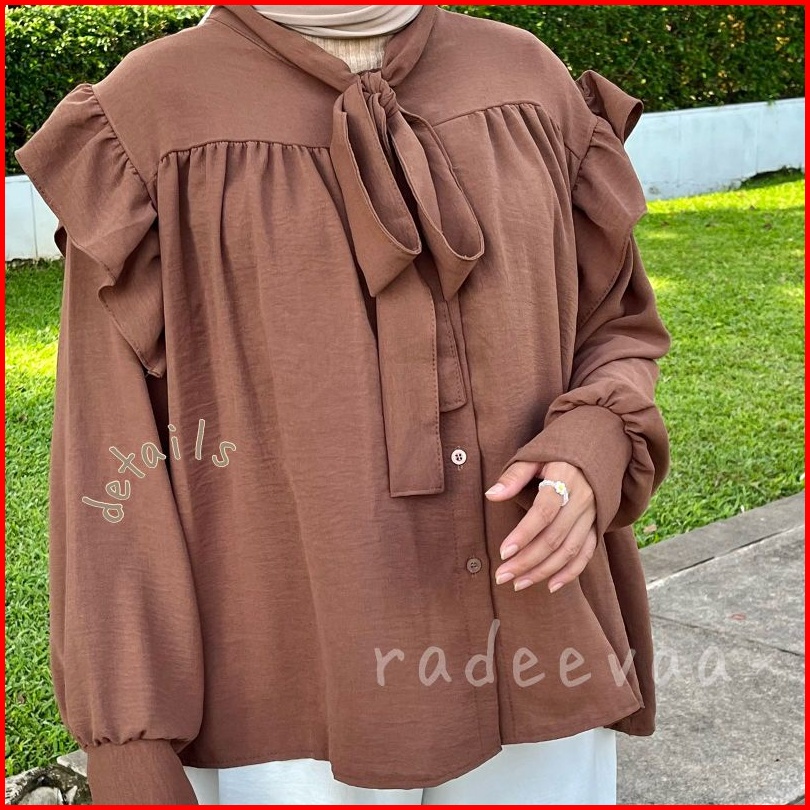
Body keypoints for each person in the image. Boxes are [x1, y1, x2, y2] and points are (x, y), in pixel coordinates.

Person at [14, 4, 671, 805]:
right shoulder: (145, 119)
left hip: (542, 647)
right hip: (287, 704)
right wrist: (130, 740)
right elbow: (111, 456)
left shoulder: (526, 75)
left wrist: (596, 441)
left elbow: (617, 323)